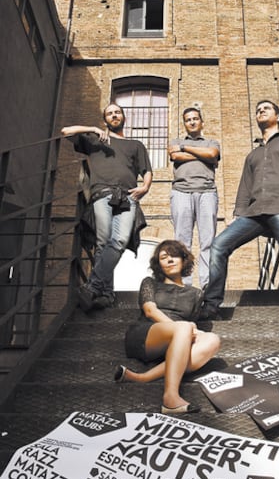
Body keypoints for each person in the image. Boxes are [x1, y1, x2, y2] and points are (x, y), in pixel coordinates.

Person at [199, 100, 279, 336]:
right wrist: (237, 215)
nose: (261, 111)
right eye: (258, 109)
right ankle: (211, 307)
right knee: (219, 246)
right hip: (254, 213)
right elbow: (244, 188)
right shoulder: (253, 154)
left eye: (266, 108)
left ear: (278, 117)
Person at [61, 103, 152, 312]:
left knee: (118, 241)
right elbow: (66, 132)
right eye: (110, 113)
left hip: (128, 196)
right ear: (105, 120)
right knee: (103, 243)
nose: (114, 115)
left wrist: (145, 187)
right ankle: (106, 294)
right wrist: (92, 129)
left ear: (123, 117)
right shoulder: (94, 140)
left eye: (117, 112)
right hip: (102, 194)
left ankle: (92, 287)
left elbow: (146, 170)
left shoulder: (135, 144)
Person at [113, 240, 220, 414]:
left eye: (174, 255)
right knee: (184, 327)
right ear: (158, 264)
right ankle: (170, 398)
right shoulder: (150, 283)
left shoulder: (196, 294)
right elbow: (149, 310)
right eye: (164, 257)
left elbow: (191, 322)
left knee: (213, 340)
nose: (169, 260)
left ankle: (144, 377)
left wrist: (191, 330)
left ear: (183, 260)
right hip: (147, 333)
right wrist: (183, 328)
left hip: (177, 339)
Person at [168, 105, 220, 288]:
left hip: (207, 192)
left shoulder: (212, 142)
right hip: (181, 191)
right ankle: (185, 285)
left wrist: (185, 150)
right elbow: (174, 155)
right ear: (184, 124)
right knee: (182, 242)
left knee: (208, 241)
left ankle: (206, 285)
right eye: (188, 119)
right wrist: (204, 157)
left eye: (195, 118)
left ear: (202, 122)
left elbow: (213, 154)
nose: (191, 121)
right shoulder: (176, 141)